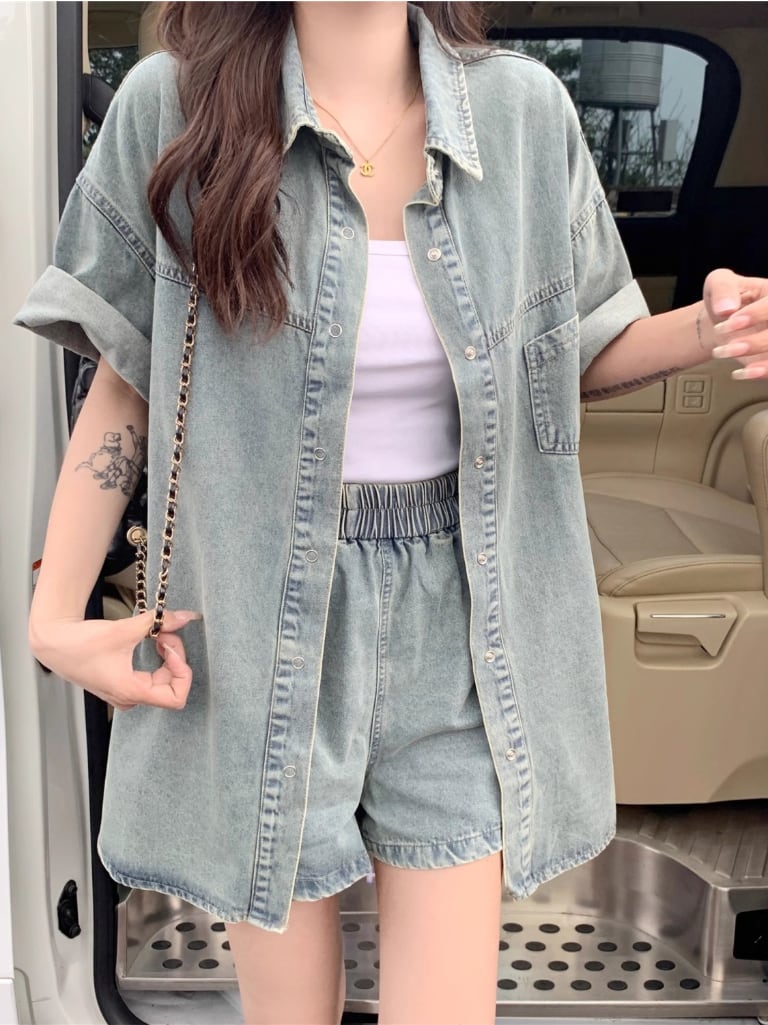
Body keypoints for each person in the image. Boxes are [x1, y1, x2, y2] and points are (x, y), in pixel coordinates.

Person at [14, 3, 768, 1023]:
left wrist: (708, 326)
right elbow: (125, 379)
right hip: (255, 613)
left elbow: (573, 351)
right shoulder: (177, 106)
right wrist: (54, 619)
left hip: (463, 618)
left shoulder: (524, 113)